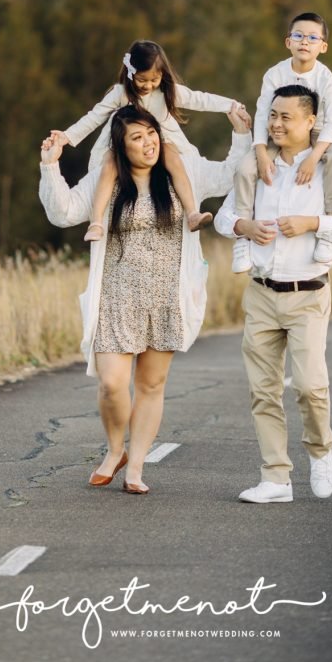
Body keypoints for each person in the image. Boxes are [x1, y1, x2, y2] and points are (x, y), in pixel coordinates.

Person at [40, 103, 252, 495]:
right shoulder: (108, 180)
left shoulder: (180, 174)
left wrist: (240, 134)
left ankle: (135, 467)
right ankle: (115, 449)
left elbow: (228, 177)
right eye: (137, 138)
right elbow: (63, 212)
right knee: (112, 384)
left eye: (151, 133)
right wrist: (51, 166)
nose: (148, 143)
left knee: (152, 386)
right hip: (116, 298)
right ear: (122, 146)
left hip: (166, 296)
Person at [214, 85, 332, 504]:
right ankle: (276, 478)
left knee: (309, 385)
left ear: (310, 122)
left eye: (286, 117)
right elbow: (226, 216)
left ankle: (320, 451)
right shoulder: (259, 166)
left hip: (309, 294)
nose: (276, 124)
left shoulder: (331, 168)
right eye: (273, 116)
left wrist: (313, 223)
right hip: (261, 293)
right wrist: (243, 227)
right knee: (263, 391)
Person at [49, 40, 247, 242]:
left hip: (162, 141)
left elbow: (200, 99)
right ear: (130, 72)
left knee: (174, 159)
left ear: (163, 75)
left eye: (155, 79)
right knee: (109, 165)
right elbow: (94, 116)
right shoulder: (120, 93)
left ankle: (192, 213)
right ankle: (97, 222)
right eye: (142, 80)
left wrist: (231, 105)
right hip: (121, 144)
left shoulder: (167, 92)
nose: (149, 85)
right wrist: (67, 136)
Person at [231, 12, 332, 273]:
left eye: (312, 37)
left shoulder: (326, 77)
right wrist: (261, 153)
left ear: (323, 46)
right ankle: (242, 239)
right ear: (288, 42)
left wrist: (313, 157)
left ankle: (329, 231)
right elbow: (263, 113)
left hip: (317, 135)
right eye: (298, 36)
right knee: (245, 169)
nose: (304, 42)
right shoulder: (275, 73)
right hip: (277, 133)